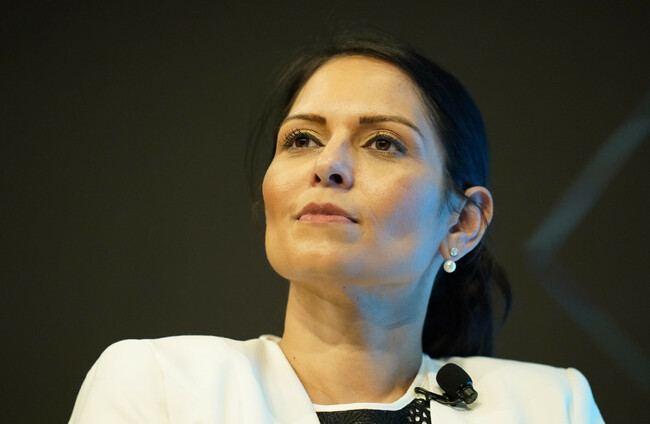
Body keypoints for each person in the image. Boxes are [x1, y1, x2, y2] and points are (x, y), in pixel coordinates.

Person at [69, 30, 604, 423]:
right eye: (302, 139)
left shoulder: (551, 406)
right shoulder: (160, 384)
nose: (328, 164)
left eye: (383, 142)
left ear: (462, 222)